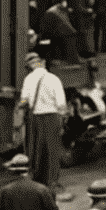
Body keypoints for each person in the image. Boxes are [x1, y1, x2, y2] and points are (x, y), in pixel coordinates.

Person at [19, 50, 68, 193]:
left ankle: (37, 179)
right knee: (52, 149)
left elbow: (24, 100)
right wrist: (63, 117)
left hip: (35, 118)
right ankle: (52, 181)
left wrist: (21, 105)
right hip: (52, 117)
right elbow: (61, 103)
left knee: (36, 148)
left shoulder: (28, 79)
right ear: (42, 63)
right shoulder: (54, 79)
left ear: (30, 66)